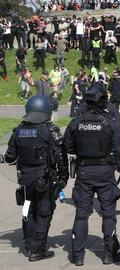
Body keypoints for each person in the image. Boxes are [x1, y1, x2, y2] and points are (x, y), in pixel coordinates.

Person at [63, 87, 120, 265]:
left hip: (84, 172)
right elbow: (119, 149)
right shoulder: (110, 123)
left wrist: (82, 152)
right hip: (106, 172)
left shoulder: (76, 123)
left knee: (81, 214)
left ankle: (77, 256)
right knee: (108, 214)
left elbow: (67, 146)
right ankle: (108, 254)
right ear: (102, 101)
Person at [0, 96, 68, 261]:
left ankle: (28, 246)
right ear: (46, 111)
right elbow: (61, 157)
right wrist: (62, 178)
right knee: (44, 213)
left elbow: (9, 158)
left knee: (27, 211)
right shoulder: (50, 130)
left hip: (24, 181)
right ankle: (38, 250)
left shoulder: (18, 131)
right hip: (44, 181)